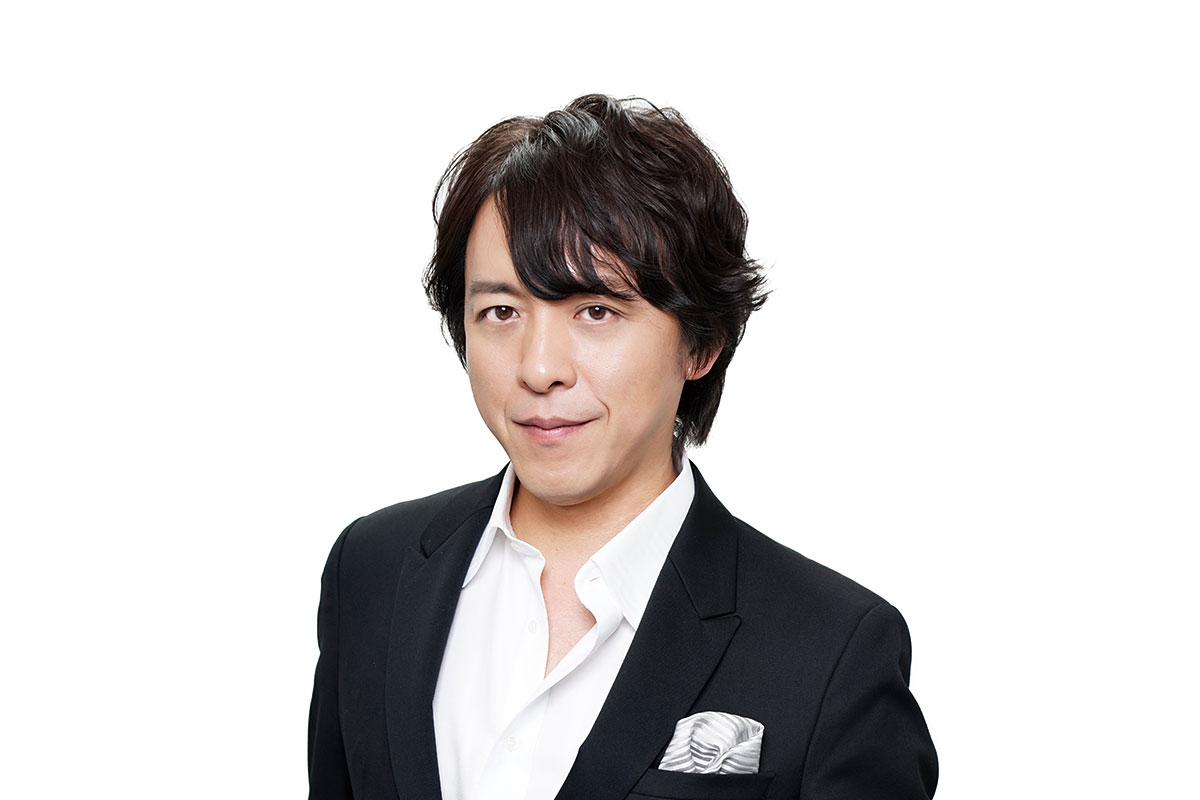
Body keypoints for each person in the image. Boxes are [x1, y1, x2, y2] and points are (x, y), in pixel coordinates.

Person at [308, 94, 938, 800]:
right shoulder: (372, 571)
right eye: (501, 311)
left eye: (596, 311)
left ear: (701, 342)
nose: (539, 368)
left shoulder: (831, 652)